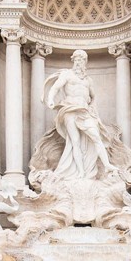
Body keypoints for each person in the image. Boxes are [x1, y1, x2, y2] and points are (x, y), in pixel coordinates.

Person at [44, 49, 118, 180]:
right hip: (69, 109)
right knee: (75, 142)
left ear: (86, 62)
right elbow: (55, 88)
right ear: (73, 61)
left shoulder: (88, 80)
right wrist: (50, 99)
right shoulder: (67, 75)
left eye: (82, 59)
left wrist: (93, 108)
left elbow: (93, 97)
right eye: (77, 59)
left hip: (84, 111)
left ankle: (107, 165)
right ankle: (81, 173)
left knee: (96, 137)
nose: (79, 62)